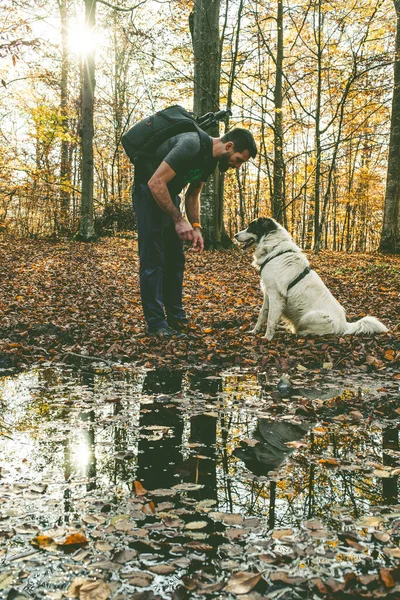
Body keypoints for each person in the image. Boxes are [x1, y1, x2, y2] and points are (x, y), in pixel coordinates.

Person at [132, 126, 257, 337]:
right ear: (229, 146)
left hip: (170, 196)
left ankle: (175, 317)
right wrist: (178, 219)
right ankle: (156, 325)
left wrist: (196, 226)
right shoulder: (190, 144)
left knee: (175, 260)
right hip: (147, 192)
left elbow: (192, 194)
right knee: (153, 262)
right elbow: (156, 182)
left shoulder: (210, 162)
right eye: (238, 160)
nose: (236, 166)